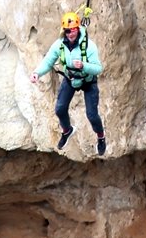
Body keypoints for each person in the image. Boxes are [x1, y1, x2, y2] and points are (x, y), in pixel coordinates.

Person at [30, 11, 106, 155]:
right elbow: (48, 61)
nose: (70, 34)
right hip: (70, 79)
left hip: (88, 81)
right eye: (67, 31)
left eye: (73, 31)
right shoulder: (60, 44)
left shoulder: (89, 46)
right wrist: (37, 73)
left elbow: (98, 69)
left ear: (78, 29)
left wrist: (84, 65)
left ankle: (101, 137)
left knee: (92, 114)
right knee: (59, 109)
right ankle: (67, 130)